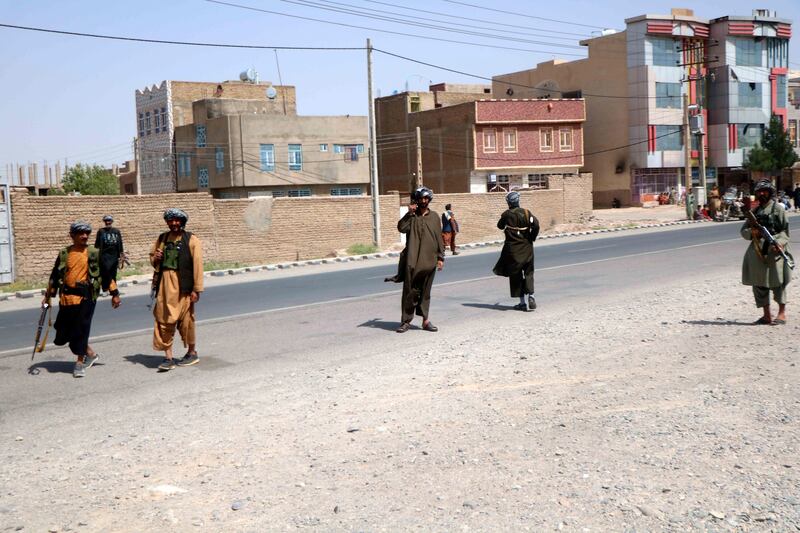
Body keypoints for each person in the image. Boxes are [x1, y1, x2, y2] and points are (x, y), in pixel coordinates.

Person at [45, 221, 121, 378]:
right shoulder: (64, 253)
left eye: (87, 233)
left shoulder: (94, 253)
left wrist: (114, 294)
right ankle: (91, 354)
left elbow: (106, 275)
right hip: (66, 298)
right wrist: (47, 296)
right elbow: (54, 275)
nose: (85, 236)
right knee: (63, 330)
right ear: (72, 236)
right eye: (81, 233)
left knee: (80, 330)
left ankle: (80, 362)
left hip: (86, 298)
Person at [150, 208, 203, 371]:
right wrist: (156, 258)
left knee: (187, 321)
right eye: (170, 220)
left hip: (184, 287)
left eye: (176, 220)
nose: (173, 223)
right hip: (165, 287)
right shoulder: (162, 238)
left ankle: (192, 352)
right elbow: (153, 259)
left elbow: (198, 266)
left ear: (182, 222)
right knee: (164, 321)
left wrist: (196, 289)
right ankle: (168, 358)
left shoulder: (192, 240)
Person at [741, 179, 792, 325]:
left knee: (778, 282)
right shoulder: (755, 211)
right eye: (759, 191)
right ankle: (766, 315)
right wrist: (754, 232)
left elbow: (785, 231)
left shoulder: (778, 209)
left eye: (765, 191)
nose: (762, 194)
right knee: (759, 283)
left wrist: (779, 243)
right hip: (758, 253)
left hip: (774, 250)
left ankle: (781, 314)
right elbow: (744, 231)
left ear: (770, 193)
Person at [396, 187, 444, 333]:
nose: (424, 201)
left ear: (429, 200)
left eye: (426, 198)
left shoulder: (435, 217)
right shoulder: (412, 217)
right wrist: (409, 213)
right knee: (409, 292)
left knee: (425, 292)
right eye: (421, 199)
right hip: (412, 261)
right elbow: (401, 228)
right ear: (416, 200)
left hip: (430, 261)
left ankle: (425, 321)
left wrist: (441, 257)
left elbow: (439, 238)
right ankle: (406, 321)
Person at [493, 191, 540, 311]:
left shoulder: (507, 215)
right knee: (529, 272)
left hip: (513, 251)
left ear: (509, 203)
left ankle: (522, 303)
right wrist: (531, 237)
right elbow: (536, 225)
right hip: (527, 248)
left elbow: (499, 226)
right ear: (518, 201)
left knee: (516, 275)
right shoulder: (526, 212)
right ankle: (532, 296)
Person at [94, 214, 124, 293]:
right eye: (106, 221)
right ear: (104, 222)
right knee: (105, 273)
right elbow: (97, 244)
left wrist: (121, 254)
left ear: (111, 222)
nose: (107, 222)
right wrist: (96, 255)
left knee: (113, 273)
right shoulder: (101, 231)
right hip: (104, 256)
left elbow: (120, 243)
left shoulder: (116, 231)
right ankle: (105, 289)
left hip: (114, 256)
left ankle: (113, 289)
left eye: (109, 221)